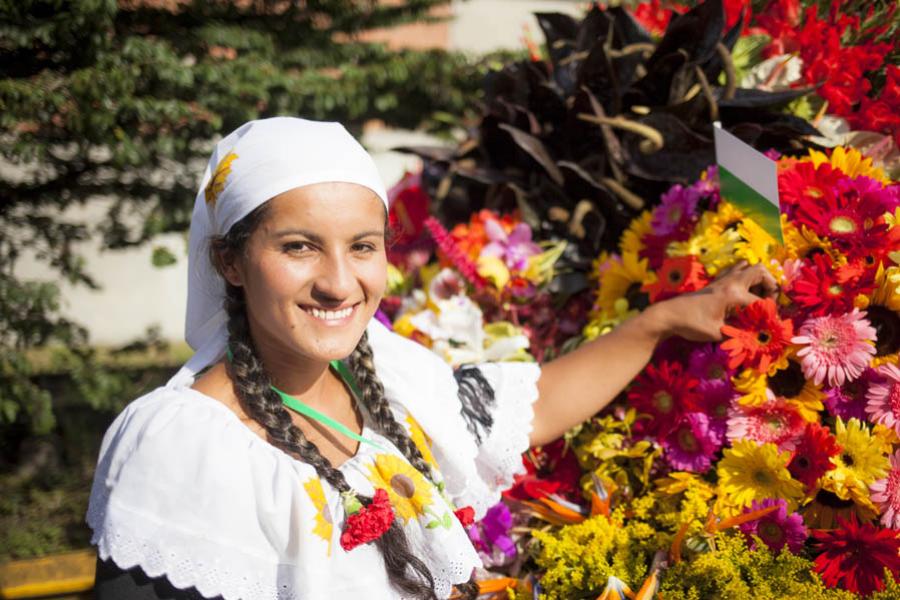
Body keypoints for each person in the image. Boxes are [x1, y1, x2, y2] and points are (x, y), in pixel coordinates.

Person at [87, 117, 777, 600]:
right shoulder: (182, 444)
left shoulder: (383, 378)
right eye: (298, 247)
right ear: (230, 261)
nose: (338, 282)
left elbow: (531, 409)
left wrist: (661, 323)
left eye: (363, 247)